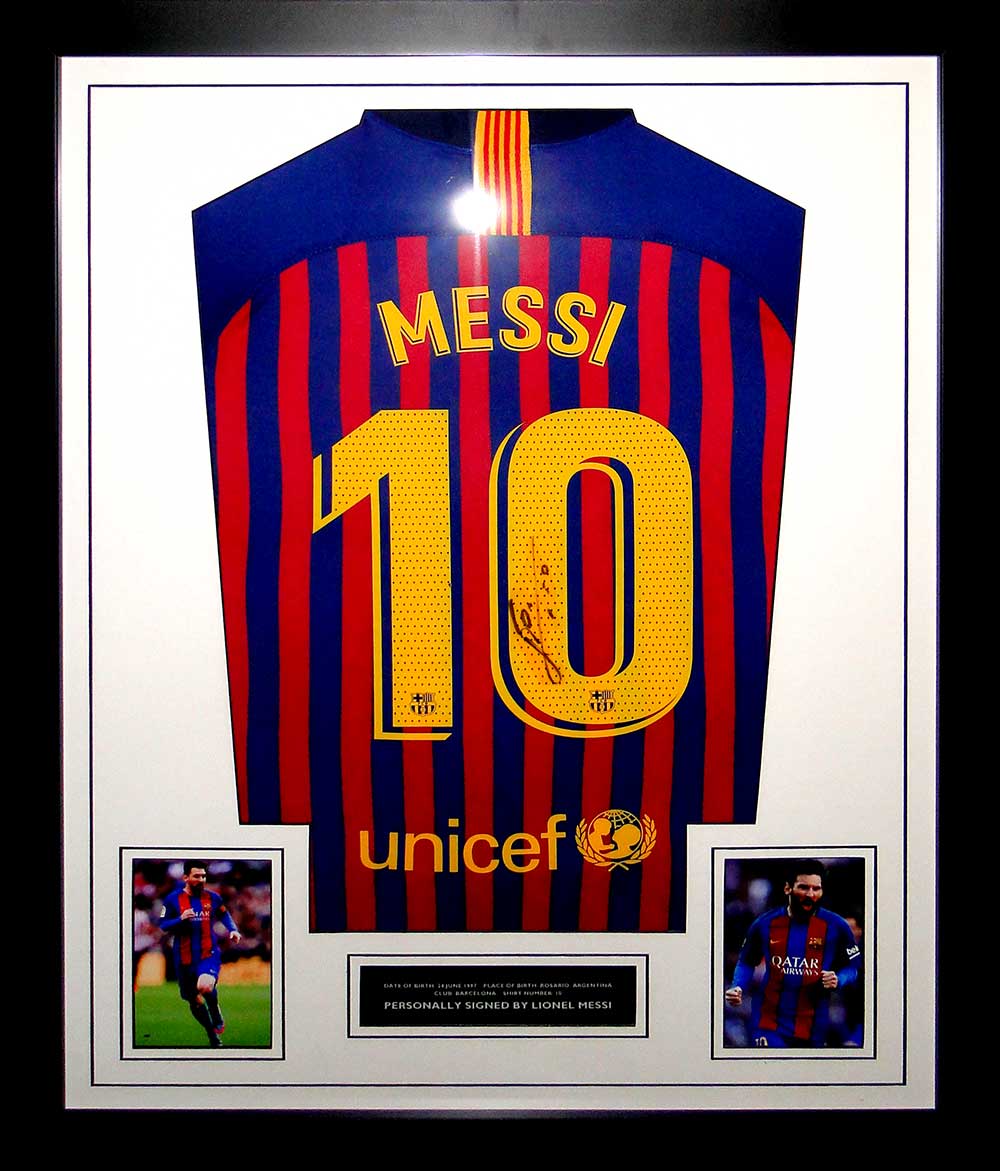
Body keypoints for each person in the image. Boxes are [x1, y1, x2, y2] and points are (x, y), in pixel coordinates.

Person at [724, 861, 861, 1047]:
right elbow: (746, 962)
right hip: (769, 1025)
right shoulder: (764, 924)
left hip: (815, 1028)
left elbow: (854, 967)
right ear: (788, 888)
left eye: (816, 889)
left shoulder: (837, 926)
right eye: (803, 887)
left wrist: (838, 979)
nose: (810, 894)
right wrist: (738, 986)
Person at [158, 861, 241, 1047]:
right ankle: (211, 1034)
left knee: (205, 987)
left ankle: (215, 1010)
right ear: (186, 877)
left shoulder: (213, 897)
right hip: (183, 958)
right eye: (197, 876)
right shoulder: (172, 899)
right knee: (194, 1000)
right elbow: (163, 925)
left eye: (203, 876)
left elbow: (224, 914)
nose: (201, 879)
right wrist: (180, 919)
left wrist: (233, 930)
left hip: (208, 953)